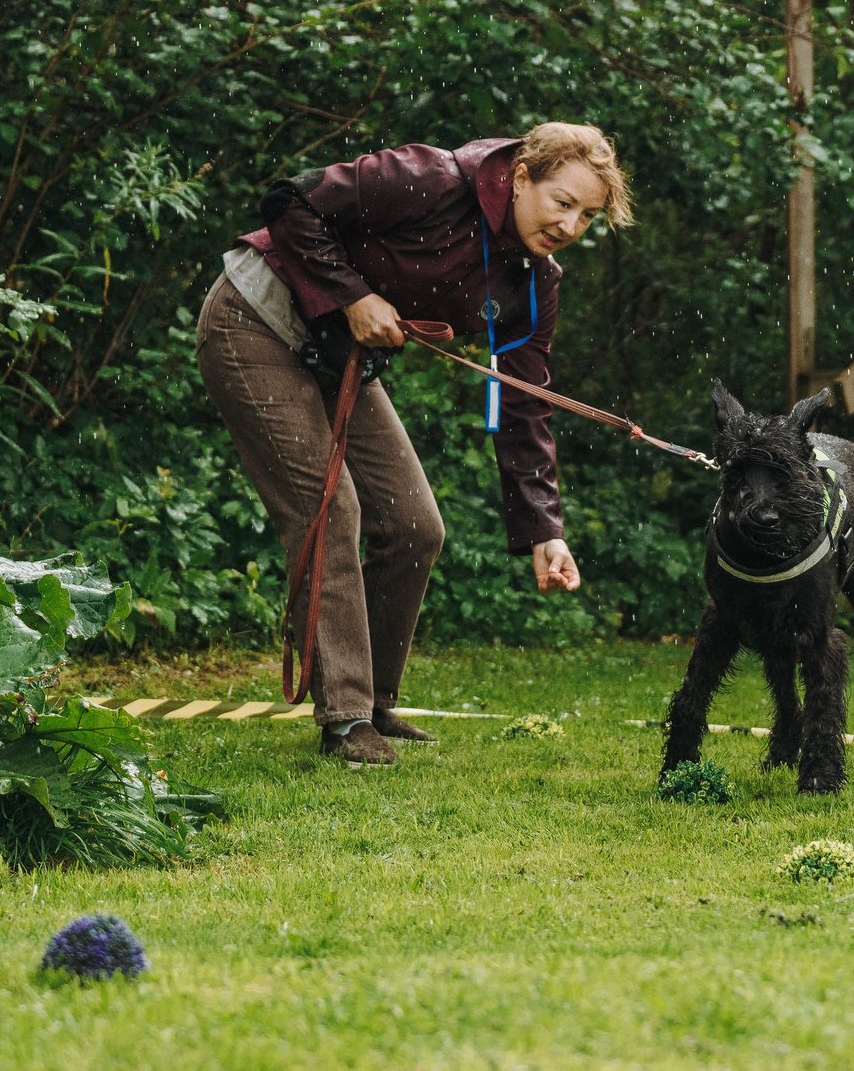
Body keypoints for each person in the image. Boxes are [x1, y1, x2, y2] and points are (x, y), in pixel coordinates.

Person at [196, 122, 632, 767]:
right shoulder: (431, 178)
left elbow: (523, 404)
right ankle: (344, 720)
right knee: (330, 510)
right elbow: (290, 201)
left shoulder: (534, 283)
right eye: (562, 202)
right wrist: (353, 296)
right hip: (254, 322)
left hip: (340, 358)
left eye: (588, 215)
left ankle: (372, 703)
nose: (570, 225)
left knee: (414, 524)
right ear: (519, 177)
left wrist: (546, 530)